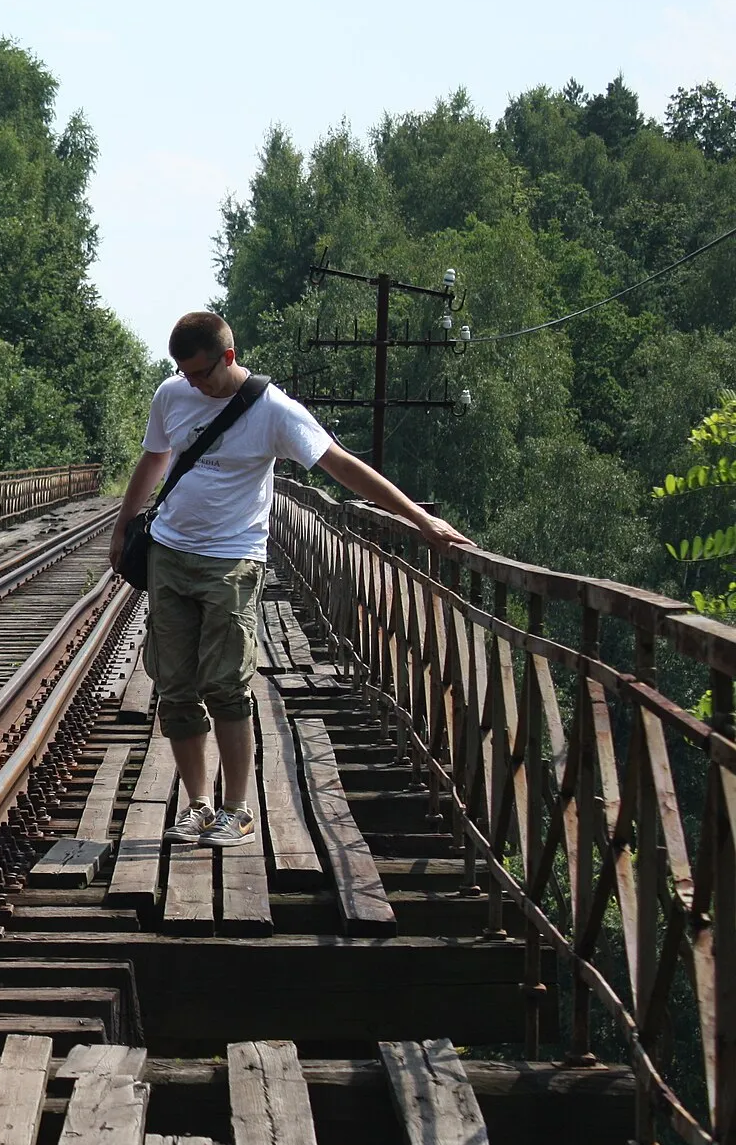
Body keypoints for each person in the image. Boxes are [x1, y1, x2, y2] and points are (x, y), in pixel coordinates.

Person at [109, 311, 471, 848]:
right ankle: (198, 807)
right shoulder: (172, 394)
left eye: (201, 374)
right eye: (184, 374)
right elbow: (155, 458)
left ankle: (238, 810)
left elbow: (342, 466)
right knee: (176, 688)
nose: (193, 384)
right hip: (168, 552)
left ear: (228, 357)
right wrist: (123, 528)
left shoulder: (274, 411)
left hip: (232, 561)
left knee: (226, 685)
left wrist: (422, 521)